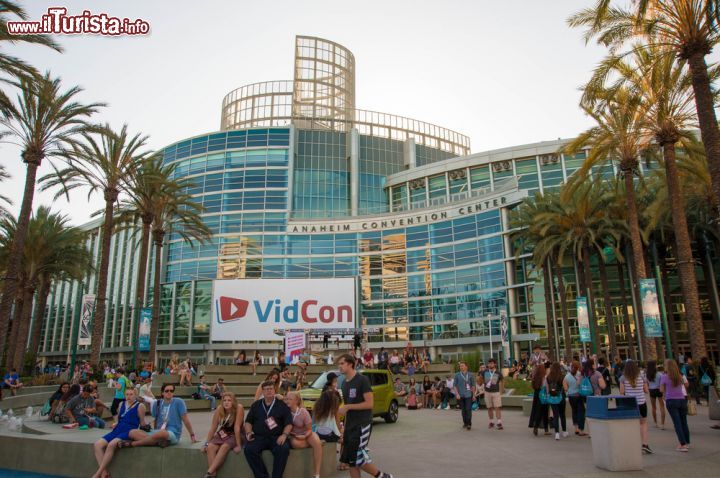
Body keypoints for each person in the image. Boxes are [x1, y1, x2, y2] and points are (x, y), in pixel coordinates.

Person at [337, 353, 393, 478]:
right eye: (338, 364)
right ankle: (382, 476)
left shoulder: (362, 380)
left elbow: (369, 404)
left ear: (350, 364)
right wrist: (344, 430)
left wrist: (348, 407)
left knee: (358, 458)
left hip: (362, 424)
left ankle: (381, 476)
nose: (339, 367)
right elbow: (347, 411)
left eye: (342, 363)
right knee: (352, 462)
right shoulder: (344, 384)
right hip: (350, 426)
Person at [92, 388, 146, 478]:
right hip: (118, 429)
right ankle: (104, 473)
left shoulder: (140, 406)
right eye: (127, 394)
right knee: (97, 445)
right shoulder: (121, 404)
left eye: (131, 394)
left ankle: (98, 474)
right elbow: (120, 418)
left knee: (111, 445)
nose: (128, 396)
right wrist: (116, 423)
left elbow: (142, 423)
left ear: (135, 395)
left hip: (128, 431)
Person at [244, 380, 293, 478]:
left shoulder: (282, 405)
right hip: (259, 437)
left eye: (271, 389)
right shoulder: (256, 405)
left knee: (283, 449)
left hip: (276, 437)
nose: (269, 391)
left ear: (274, 390)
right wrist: (249, 432)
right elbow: (248, 421)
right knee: (249, 449)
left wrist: (284, 435)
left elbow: (289, 423)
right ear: (262, 392)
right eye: (266, 389)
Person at [128, 383, 199, 448]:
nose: (169, 392)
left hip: (172, 433)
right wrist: (151, 429)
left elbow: (185, 419)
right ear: (162, 393)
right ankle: (157, 442)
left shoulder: (179, 402)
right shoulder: (157, 403)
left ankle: (134, 444)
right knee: (132, 432)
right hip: (158, 432)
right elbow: (155, 420)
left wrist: (192, 435)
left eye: (171, 391)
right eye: (167, 391)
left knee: (162, 433)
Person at [202, 392, 244, 478]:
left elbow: (237, 427)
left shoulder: (239, 408)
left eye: (229, 400)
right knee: (210, 447)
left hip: (235, 434)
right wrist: (206, 443)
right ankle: (212, 475)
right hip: (223, 433)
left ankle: (209, 472)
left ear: (233, 402)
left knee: (224, 446)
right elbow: (213, 428)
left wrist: (239, 445)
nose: (226, 402)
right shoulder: (219, 409)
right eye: (224, 400)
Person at [285, 391, 323, 478]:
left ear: (296, 401)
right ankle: (316, 443)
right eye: (287, 399)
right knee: (295, 444)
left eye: (290, 399)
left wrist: (305, 436)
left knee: (316, 444)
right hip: (294, 435)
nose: (287, 401)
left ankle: (317, 474)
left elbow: (309, 429)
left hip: (306, 433)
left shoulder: (303, 412)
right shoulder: (285, 411)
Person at [619, 360, 652, 454]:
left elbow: (621, 392)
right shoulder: (642, 377)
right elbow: (646, 390)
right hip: (641, 403)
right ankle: (645, 444)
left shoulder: (623, 378)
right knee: (643, 423)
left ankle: (633, 444)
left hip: (630, 403)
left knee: (632, 424)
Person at [661, 359, 691, 452]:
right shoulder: (679, 376)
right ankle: (686, 442)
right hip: (681, 400)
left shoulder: (664, 376)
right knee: (684, 422)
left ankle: (682, 444)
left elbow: (661, 390)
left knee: (677, 423)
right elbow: (685, 385)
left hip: (671, 400)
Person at [565, 360, 588, 436]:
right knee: (581, 412)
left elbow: (565, 387)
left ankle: (576, 428)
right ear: (578, 367)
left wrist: (569, 390)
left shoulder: (567, 376)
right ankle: (581, 429)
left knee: (574, 411)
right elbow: (582, 384)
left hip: (571, 396)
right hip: (578, 395)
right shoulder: (580, 375)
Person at [528, 363, 549, 436]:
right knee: (545, 412)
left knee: (537, 411)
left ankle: (535, 426)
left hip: (537, 395)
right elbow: (546, 387)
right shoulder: (544, 377)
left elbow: (533, 386)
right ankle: (546, 429)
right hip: (543, 396)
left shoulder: (535, 377)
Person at [454, 361, 476, 429]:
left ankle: (469, 423)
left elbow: (473, 385)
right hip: (460, 395)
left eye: (462, 366)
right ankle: (465, 423)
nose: (461, 367)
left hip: (468, 395)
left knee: (468, 409)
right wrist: (457, 394)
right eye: (460, 366)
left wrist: (474, 395)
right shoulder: (457, 375)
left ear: (466, 366)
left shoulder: (471, 374)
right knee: (463, 410)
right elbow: (455, 385)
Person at [483, 358, 504, 430]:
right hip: (487, 392)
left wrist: (501, 391)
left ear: (495, 364)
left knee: (497, 407)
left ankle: (499, 422)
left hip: (496, 392)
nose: (490, 364)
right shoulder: (485, 371)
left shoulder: (498, 373)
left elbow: (502, 381)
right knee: (489, 408)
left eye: (492, 363)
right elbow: (480, 379)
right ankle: (491, 422)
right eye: (489, 363)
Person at [646, 361, 666, 429]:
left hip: (652, 390)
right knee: (662, 406)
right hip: (659, 389)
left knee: (653, 407)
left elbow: (647, 383)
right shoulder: (659, 374)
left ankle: (655, 423)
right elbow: (662, 384)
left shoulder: (647, 374)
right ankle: (662, 424)